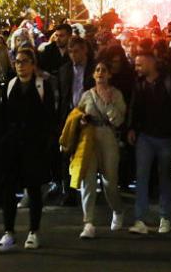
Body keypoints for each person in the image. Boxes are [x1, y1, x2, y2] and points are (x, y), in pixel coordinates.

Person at [0, 47, 57, 253]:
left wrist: (44, 143)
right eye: (17, 61)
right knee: (9, 189)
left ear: (33, 64)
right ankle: (9, 232)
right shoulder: (10, 85)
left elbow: (49, 118)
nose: (20, 65)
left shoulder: (42, 86)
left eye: (24, 61)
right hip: (12, 146)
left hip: (33, 146)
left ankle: (33, 231)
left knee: (33, 189)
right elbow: (3, 115)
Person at [126, 49, 171, 235]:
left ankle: (165, 216)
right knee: (142, 176)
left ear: (151, 63)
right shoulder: (140, 83)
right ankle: (140, 219)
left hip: (167, 137)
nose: (137, 67)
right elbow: (135, 107)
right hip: (145, 136)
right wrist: (132, 128)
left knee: (165, 177)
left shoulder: (169, 82)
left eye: (140, 64)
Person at [74, 59, 127, 239]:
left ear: (109, 75)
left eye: (104, 70)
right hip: (89, 138)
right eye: (97, 70)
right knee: (87, 180)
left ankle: (117, 210)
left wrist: (109, 104)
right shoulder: (87, 95)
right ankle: (88, 222)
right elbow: (77, 114)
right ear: (93, 75)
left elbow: (119, 121)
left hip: (108, 137)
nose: (100, 73)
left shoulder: (116, 94)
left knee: (109, 180)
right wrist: (81, 120)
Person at [56, 36, 95, 205]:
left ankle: (89, 191)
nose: (73, 55)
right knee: (66, 155)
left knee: (89, 154)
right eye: (70, 52)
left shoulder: (94, 69)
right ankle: (69, 192)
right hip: (70, 116)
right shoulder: (64, 70)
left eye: (76, 51)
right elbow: (63, 95)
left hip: (89, 117)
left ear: (84, 50)